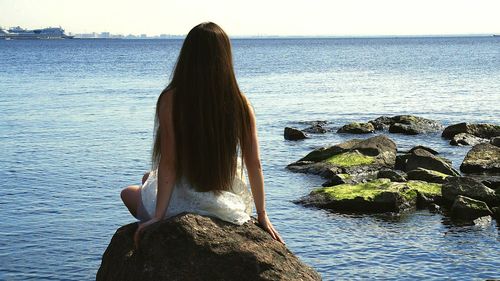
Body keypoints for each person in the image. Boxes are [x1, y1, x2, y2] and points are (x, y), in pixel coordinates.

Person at [120, 22, 284, 245]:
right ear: (225, 57)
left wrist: (158, 217)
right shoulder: (240, 102)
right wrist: (262, 214)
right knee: (148, 178)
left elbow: (169, 162)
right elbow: (254, 163)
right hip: (224, 197)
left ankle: (155, 202)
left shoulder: (171, 99)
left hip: (186, 194)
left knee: (128, 193)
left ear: (188, 56)